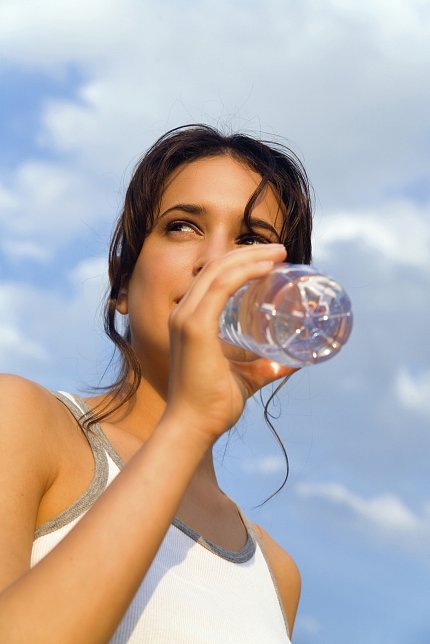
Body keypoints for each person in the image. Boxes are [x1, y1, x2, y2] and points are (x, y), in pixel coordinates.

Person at [0, 124, 313, 642]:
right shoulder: (23, 422)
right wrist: (188, 423)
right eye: (182, 226)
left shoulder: (278, 575)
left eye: (252, 241)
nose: (214, 261)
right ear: (122, 283)